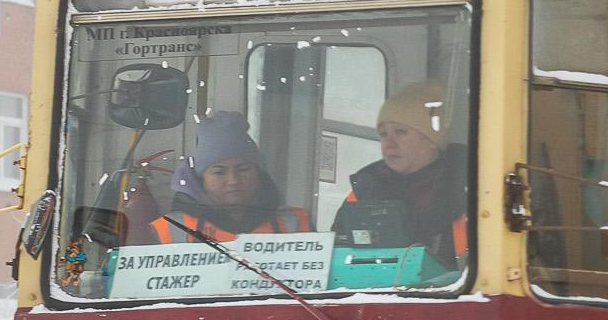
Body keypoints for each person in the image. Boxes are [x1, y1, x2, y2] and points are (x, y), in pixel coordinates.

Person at [338, 81, 470, 261]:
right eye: (383, 134)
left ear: (432, 140)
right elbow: (337, 257)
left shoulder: (470, 189)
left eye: (400, 132)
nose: (389, 143)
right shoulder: (362, 193)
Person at [148, 112, 306, 244]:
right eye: (219, 172)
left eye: (243, 169)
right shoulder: (168, 229)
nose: (233, 180)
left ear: (258, 173)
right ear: (200, 178)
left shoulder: (297, 224)